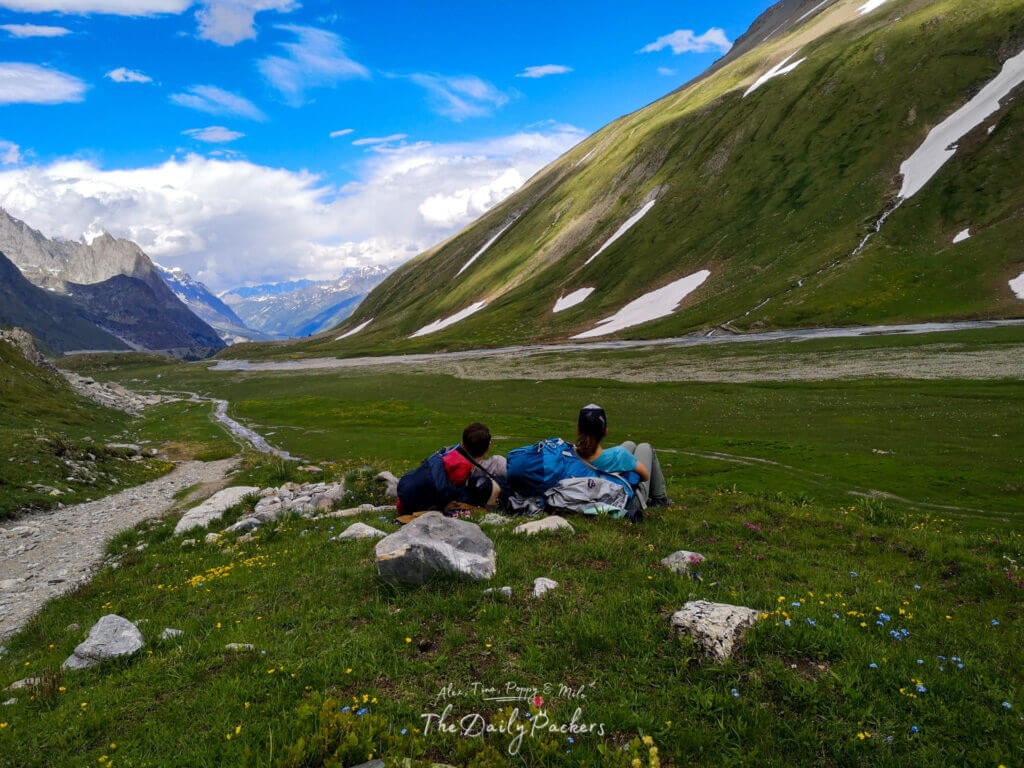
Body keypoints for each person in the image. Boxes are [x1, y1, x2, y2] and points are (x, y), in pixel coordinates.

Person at [575, 403, 670, 511]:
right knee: (645, 447)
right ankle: (660, 499)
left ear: (578, 430)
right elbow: (645, 476)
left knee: (629, 444)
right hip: (625, 501)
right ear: (605, 431)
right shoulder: (619, 454)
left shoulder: (571, 455)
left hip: (591, 497)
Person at [396, 422, 505, 516]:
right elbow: (453, 496)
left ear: (462, 444)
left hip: (404, 499)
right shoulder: (462, 467)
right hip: (412, 506)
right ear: (488, 447)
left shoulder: (447, 454)